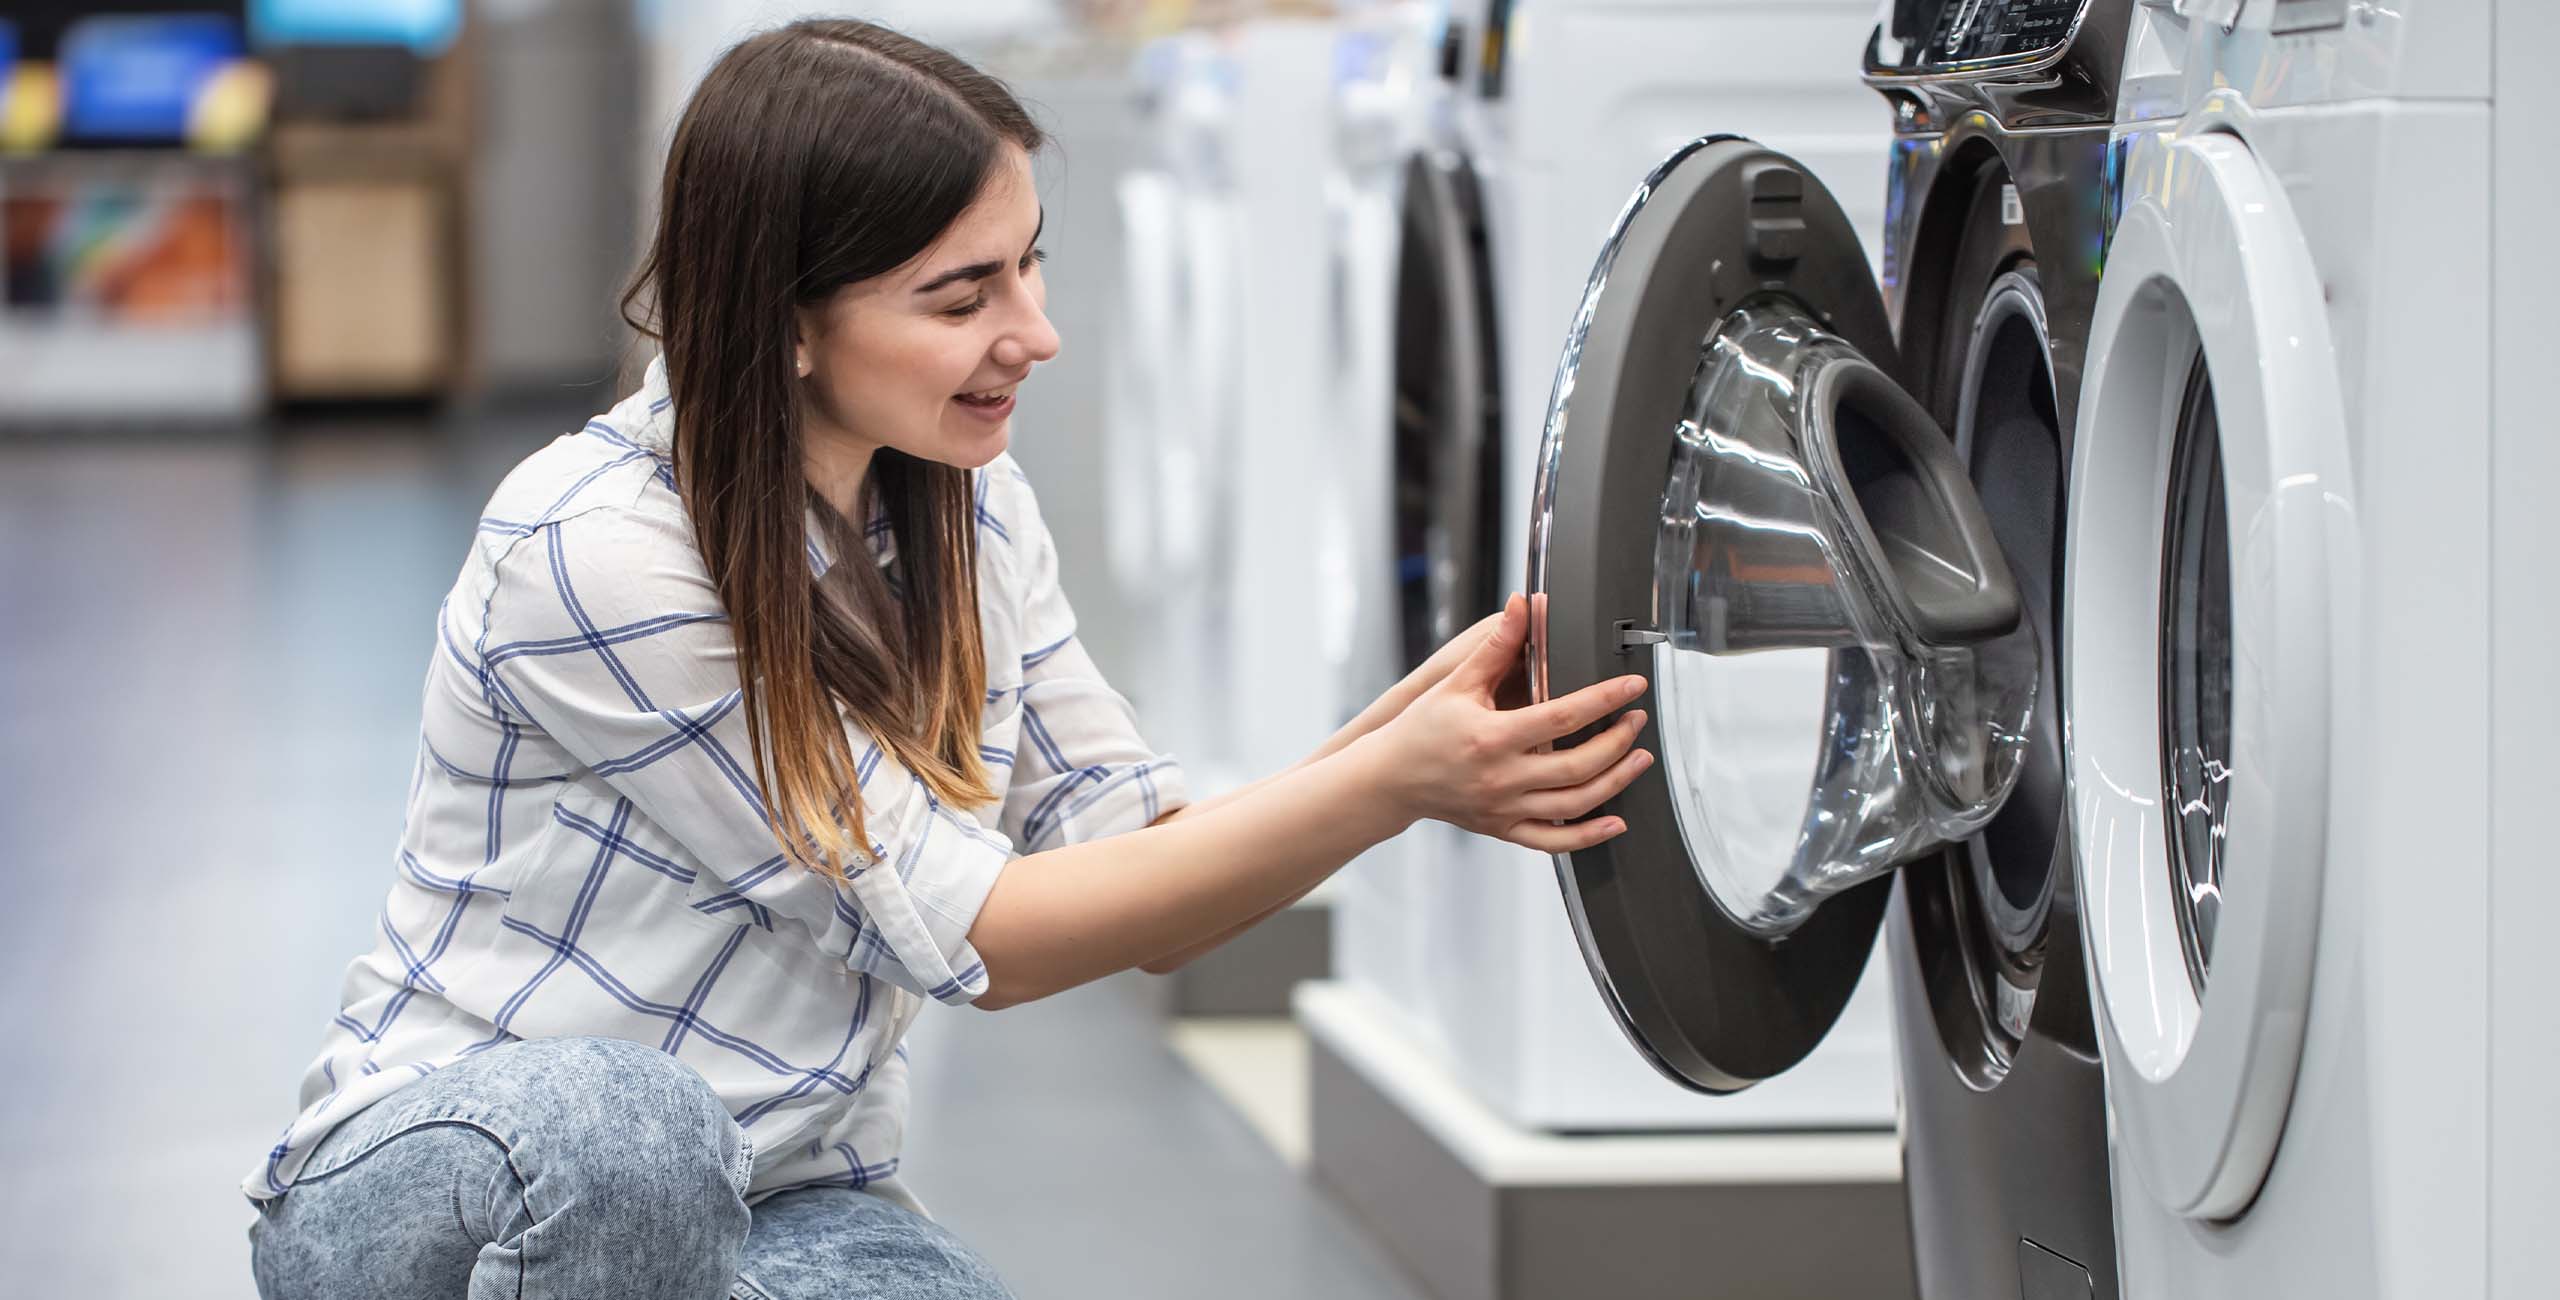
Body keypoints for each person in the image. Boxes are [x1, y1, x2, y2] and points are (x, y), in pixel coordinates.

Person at [240, 18, 1650, 1300]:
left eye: (1030, 262)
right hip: (447, 1182)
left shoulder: (972, 514)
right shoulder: (601, 549)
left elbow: (1145, 877)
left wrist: (1406, 739)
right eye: (960, 295)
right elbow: (988, 937)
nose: (1034, 335)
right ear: (788, 319)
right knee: (632, 1131)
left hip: (781, 1185)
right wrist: (1393, 785)